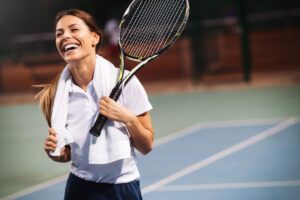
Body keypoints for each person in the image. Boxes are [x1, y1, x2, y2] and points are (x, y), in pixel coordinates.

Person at [36, 9, 154, 200]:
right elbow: (67, 154)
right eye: (59, 33)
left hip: (122, 187)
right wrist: (54, 153)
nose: (66, 36)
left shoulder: (126, 82)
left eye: (74, 29)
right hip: (79, 187)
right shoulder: (55, 95)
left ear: (94, 38)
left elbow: (146, 146)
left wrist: (129, 119)